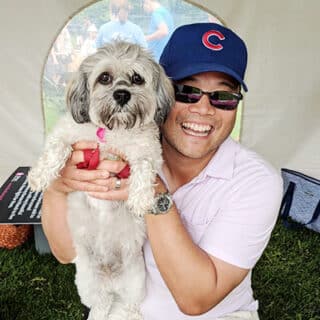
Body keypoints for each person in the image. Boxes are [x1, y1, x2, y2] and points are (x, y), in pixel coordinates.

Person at [41, 23, 283, 319]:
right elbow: (66, 252)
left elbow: (196, 300)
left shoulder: (257, 181)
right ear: (160, 93)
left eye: (223, 97)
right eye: (187, 92)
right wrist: (58, 188)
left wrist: (153, 193)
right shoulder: (110, 149)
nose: (204, 109)